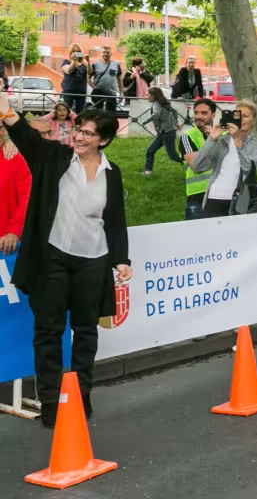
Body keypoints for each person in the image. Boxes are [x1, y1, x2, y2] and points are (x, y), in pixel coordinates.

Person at [0, 93, 130, 429]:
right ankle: (50, 402)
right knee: (48, 331)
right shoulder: (55, 158)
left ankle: (81, 396)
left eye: (87, 133)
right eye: (77, 130)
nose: (78, 137)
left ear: (104, 139)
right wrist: (8, 113)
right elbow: (28, 138)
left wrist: (121, 259)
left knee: (86, 331)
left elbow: (114, 219)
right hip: (52, 258)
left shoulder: (110, 173)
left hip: (93, 260)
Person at [190, 99, 257, 217]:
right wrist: (212, 139)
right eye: (237, 115)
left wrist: (237, 140)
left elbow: (248, 169)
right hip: (214, 199)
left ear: (253, 121)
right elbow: (197, 166)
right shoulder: (222, 142)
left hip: (242, 201)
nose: (240, 118)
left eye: (245, 116)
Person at [179, 98, 216, 220]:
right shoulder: (187, 137)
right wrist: (212, 140)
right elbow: (196, 165)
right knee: (194, 237)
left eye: (204, 113)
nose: (199, 116)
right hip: (197, 195)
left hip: (221, 194)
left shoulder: (224, 136)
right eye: (196, 112)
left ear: (213, 115)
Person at [0, 120, 31, 258]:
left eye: (0, 128)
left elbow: (26, 198)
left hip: (4, 242)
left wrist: (14, 231)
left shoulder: (14, 158)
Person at [142, 87, 184, 175]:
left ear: (154, 96)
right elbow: (174, 112)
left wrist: (145, 121)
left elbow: (156, 114)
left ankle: (190, 163)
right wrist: (176, 123)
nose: (146, 96)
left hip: (167, 133)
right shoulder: (163, 103)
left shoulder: (157, 104)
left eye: (148, 94)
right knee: (150, 151)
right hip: (164, 132)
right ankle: (148, 171)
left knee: (173, 156)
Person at [90, 47, 122, 114]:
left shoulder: (116, 65)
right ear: (101, 53)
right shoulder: (95, 64)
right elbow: (87, 77)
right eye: (104, 52)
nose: (105, 54)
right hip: (99, 92)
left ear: (111, 54)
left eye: (107, 52)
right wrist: (94, 87)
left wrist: (121, 93)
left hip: (112, 93)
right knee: (98, 113)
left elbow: (119, 80)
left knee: (111, 113)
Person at [60, 44, 90, 113]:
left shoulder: (84, 63)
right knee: (67, 112)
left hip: (81, 91)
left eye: (78, 51)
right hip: (69, 90)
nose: (76, 53)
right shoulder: (66, 61)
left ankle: (78, 124)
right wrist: (73, 61)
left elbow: (90, 73)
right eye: (74, 51)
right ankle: (68, 124)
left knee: (80, 113)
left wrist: (88, 62)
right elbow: (68, 71)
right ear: (70, 52)